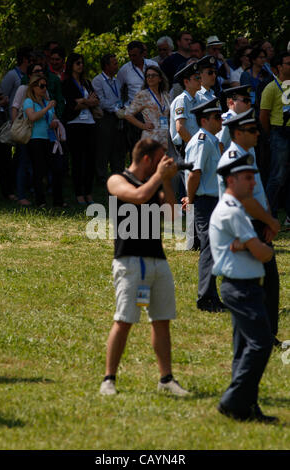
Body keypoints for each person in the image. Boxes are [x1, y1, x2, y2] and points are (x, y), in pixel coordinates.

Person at [99, 138, 189, 397]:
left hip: (158, 261)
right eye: (161, 158)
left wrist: (168, 181)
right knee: (124, 320)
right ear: (148, 159)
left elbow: (173, 216)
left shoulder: (156, 184)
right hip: (129, 261)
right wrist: (159, 177)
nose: (164, 164)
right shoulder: (117, 180)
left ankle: (166, 379)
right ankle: (109, 379)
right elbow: (139, 197)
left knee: (162, 321)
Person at [210, 153, 278, 423]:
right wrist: (259, 248)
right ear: (231, 180)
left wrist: (248, 245)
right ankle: (232, 401)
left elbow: (255, 248)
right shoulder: (233, 211)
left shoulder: (233, 208)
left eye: (253, 177)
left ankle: (246, 407)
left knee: (244, 349)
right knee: (261, 343)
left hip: (243, 287)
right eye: (247, 178)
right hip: (241, 289)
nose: (253, 183)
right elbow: (264, 254)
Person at [217, 108, 281, 345]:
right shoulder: (234, 159)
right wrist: (269, 221)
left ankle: (265, 334)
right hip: (242, 226)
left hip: (255, 223)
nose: (258, 133)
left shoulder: (247, 153)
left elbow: (258, 192)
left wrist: (266, 220)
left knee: (267, 281)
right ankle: (254, 337)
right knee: (250, 285)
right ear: (237, 133)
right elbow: (245, 199)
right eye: (252, 130)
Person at [184, 98, 224, 312]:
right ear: (204, 120)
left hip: (213, 200)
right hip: (205, 202)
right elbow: (194, 174)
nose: (220, 120)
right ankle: (205, 298)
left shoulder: (210, 139)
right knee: (209, 248)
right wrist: (191, 200)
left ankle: (212, 296)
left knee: (214, 248)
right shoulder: (201, 140)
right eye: (216, 117)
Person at [62, 53, 99, 205]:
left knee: (90, 160)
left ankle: (88, 193)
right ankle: (79, 194)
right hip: (74, 124)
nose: (80, 65)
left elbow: (96, 100)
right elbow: (71, 104)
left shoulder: (86, 82)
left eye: (82, 63)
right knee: (77, 160)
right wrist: (86, 101)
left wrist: (85, 101)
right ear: (71, 65)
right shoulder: (67, 84)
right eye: (77, 63)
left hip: (89, 123)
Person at [23, 74, 65, 207]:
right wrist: (46, 108)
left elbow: (54, 118)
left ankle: (58, 200)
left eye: (45, 86)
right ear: (34, 87)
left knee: (57, 169)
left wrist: (54, 122)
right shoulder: (29, 101)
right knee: (39, 170)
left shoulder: (48, 102)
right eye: (41, 86)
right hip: (35, 139)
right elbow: (32, 117)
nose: (44, 88)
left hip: (50, 139)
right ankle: (40, 201)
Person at [260, 51, 290, 225]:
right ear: (279, 67)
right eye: (288, 63)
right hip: (279, 133)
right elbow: (264, 116)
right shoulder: (271, 88)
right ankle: (267, 212)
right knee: (277, 176)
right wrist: (271, 134)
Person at [11, 63, 45, 206]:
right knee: (23, 163)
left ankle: (35, 192)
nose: (40, 73)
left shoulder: (44, 88)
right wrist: (15, 127)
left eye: (41, 71)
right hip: (25, 132)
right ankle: (21, 195)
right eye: (36, 71)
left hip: (38, 133)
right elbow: (15, 108)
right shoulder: (23, 89)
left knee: (36, 165)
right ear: (29, 75)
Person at [117, 41, 158, 152]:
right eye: (130, 55)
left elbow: (162, 84)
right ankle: (136, 168)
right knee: (137, 145)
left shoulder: (153, 65)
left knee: (153, 144)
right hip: (136, 112)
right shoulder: (124, 69)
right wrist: (121, 106)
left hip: (153, 109)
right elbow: (117, 89)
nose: (132, 58)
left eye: (134, 55)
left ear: (142, 53)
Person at [92, 53, 126, 184]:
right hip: (105, 117)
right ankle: (101, 177)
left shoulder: (116, 81)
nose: (117, 66)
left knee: (118, 147)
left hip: (118, 117)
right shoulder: (98, 80)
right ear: (106, 66)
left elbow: (119, 98)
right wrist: (115, 109)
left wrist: (122, 108)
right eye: (114, 63)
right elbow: (100, 101)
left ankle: (117, 175)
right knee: (103, 147)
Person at [124, 65, 170, 148]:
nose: (150, 77)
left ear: (160, 79)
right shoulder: (143, 95)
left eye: (153, 75)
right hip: (151, 138)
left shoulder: (166, 95)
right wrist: (143, 126)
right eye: (148, 76)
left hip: (165, 138)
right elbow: (127, 114)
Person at [0, 57, 16, 201]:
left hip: (1, 128)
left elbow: (1, 101)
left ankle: (8, 191)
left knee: (5, 161)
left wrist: (2, 101)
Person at [169, 61, 202, 153]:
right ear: (186, 82)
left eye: (200, 78)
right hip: (186, 149)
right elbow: (180, 127)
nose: (200, 81)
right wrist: (195, 146)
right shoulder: (181, 100)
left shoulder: (197, 100)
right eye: (196, 78)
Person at [216, 85, 252, 151]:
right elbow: (218, 148)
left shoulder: (246, 121)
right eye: (246, 100)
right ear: (231, 102)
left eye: (250, 100)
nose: (249, 103)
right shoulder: (226, 122)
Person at [1, 46, 33, 118]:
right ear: (25, 59)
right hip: (14, 119)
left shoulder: (32, 76)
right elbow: (3, 96)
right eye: (31, 59)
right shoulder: (12, 75)